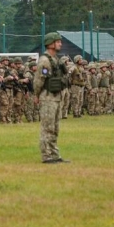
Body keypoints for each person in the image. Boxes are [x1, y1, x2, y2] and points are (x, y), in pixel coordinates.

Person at [33, 32, 69, 164]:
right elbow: (39, 80)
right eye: (58, 41)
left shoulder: (56, 59)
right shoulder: (44, 60)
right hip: (47, 98)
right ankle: (46, 155)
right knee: (47, 127)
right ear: (50, 44)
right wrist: (36, 95)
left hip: (56, 97)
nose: (60, 44)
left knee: (55, 128)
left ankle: (54, 154)